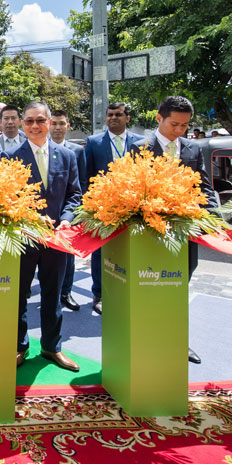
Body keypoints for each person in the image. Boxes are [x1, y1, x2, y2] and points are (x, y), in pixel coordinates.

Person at [129, 95, 216, 365]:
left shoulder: (193, 149)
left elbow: (204, 186)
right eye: (174, 124)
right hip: (149, 231)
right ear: (159, 118)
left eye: (184, 125)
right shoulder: (139, 148)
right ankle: (145, 339)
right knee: (149, 285)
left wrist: (213, 216)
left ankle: (177, 340)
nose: (179, 130)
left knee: (179, 285)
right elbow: (130, 187)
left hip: (185, 231)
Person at [4, 101, 82, 372]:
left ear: (50, 122)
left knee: (53, 294)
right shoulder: (10, 157)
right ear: (22, 124)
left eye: (40, 120)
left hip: (56, 239)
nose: (34, 126)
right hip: (24, 238)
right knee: (19, 295)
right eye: (29, 121)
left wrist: (66, 219)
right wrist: (28, 219)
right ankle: (19, 346)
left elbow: (74, 194)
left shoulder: (68, 155)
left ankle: (52, 347)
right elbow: (6, 198)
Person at [83, 102, 144, 314]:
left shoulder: (141, 142)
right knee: (100, 252)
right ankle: (99, 293)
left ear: (127, 118)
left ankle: (130, 290)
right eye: (110, 115)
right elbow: (87, 175)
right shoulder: (94, 142)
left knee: (130, 249)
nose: (113, 118)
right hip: (103, 207)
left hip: (134, 207)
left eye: (118, 114)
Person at [49, 109, 88, 312]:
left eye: (61, 123)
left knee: (68, 257)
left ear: (68, 126)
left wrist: (77, 212)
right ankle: (47, 293)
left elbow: (81, 182)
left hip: (69, 212)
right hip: (45, 213)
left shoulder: (77, 151)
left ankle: (66, 292)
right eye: (54, 123)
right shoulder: (42, 148)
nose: (57, 127)